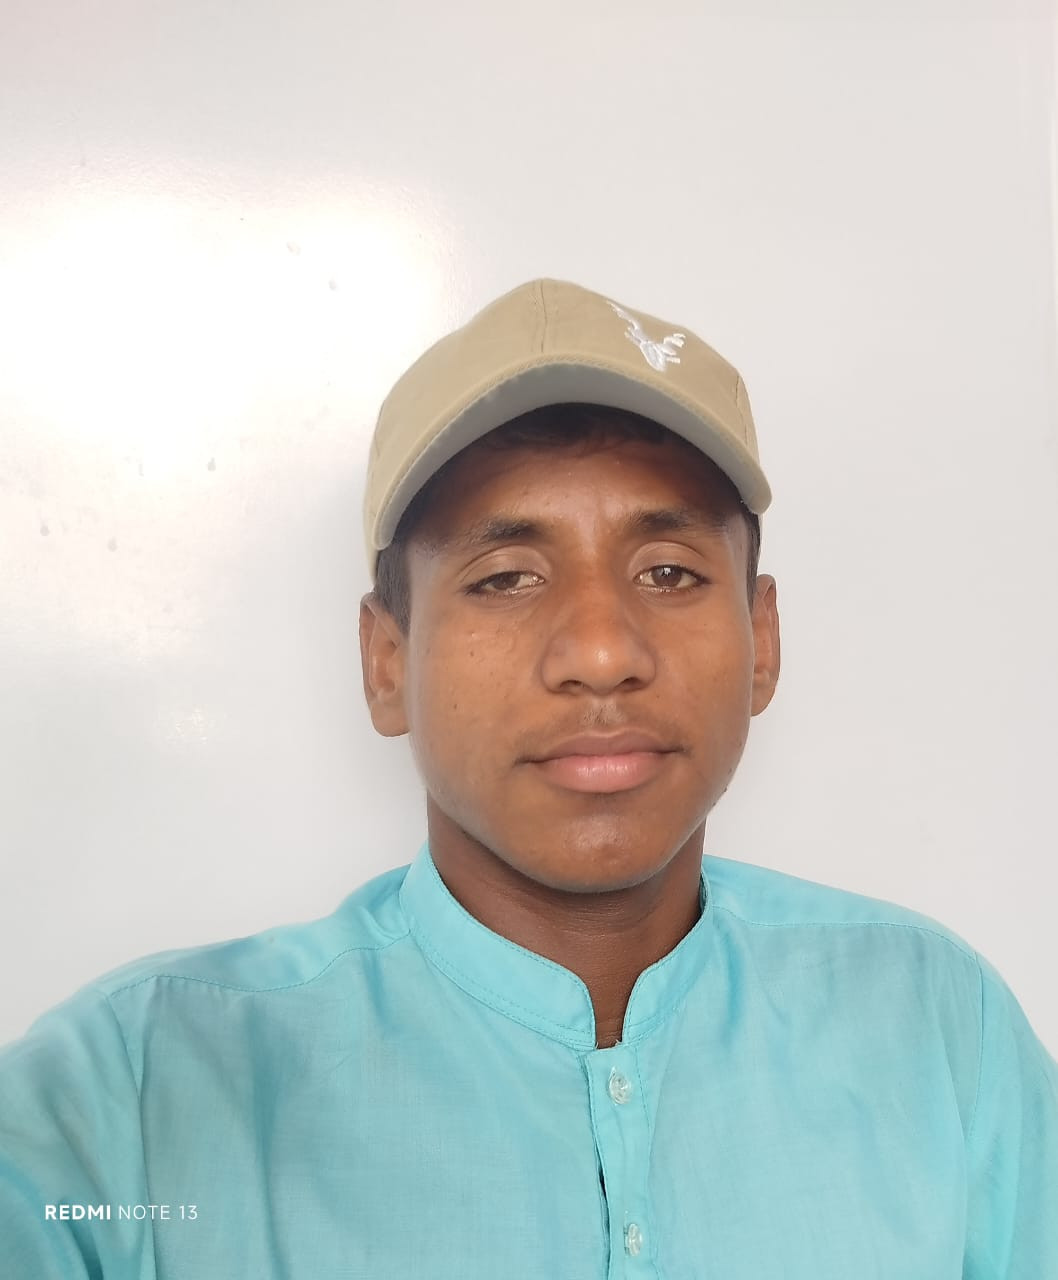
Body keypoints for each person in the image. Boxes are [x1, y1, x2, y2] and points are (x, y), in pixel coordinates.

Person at [1, 278, 1055, 1277]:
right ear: (385, 663)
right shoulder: (128, 1100)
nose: (600, 651)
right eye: (505, 577)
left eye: (669, 572)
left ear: (762, 639)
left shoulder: (935, 1029)